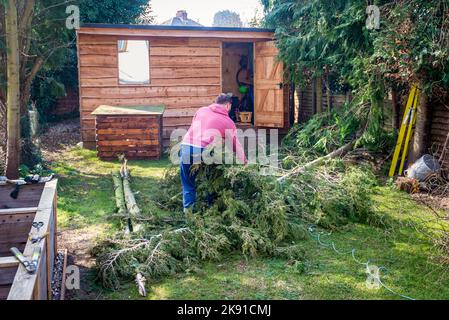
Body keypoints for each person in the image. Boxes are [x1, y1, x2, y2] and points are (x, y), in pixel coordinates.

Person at [180, 93, 247, 213]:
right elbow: (235, 144)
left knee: (188, 182)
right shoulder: (228, 122)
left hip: (186, 146)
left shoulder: (201, 110)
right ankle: (211, 207)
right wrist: (244, 161)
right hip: (203, 150)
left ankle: (188, 213)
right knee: (213, 177)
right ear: (227, 105)